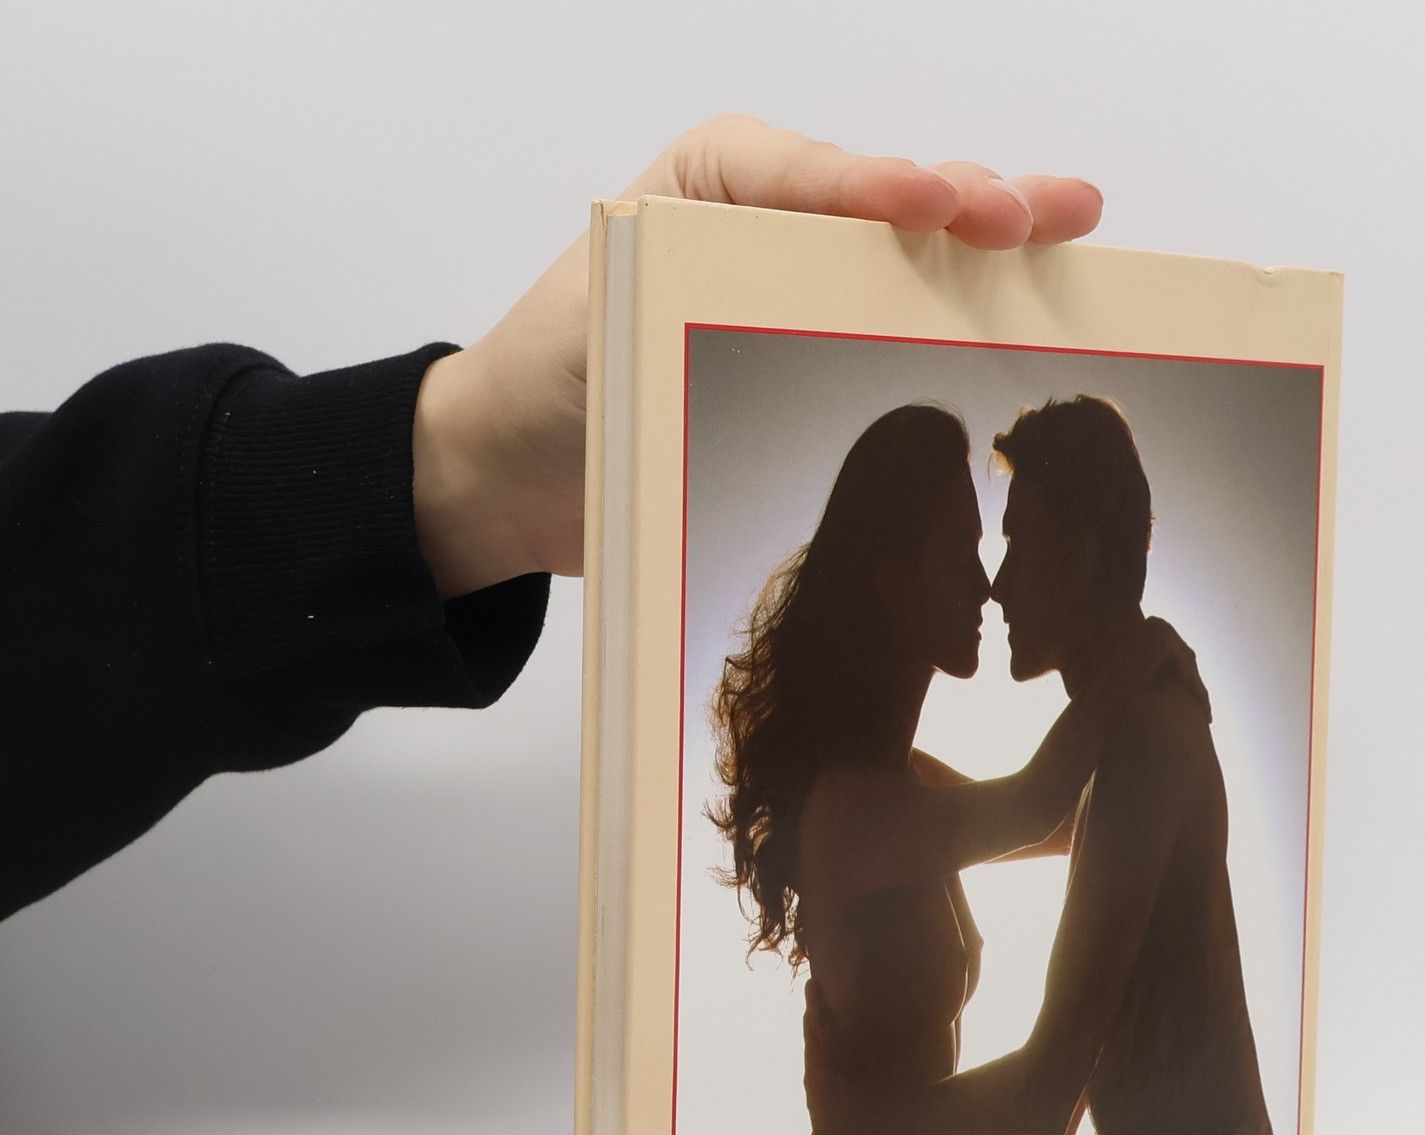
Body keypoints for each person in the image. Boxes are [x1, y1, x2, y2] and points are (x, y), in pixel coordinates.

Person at [0, 116, 1106, 922]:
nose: (990, 582)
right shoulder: (863, 808)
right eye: (966, 550)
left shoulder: (886, 779)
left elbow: (1070, 815)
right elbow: (1047, 805)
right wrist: (1144, 672)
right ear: (884, 573)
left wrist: (467, 465)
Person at [806, 395, 1291, 1135]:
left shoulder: (1146, 748)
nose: (997, 581)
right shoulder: (1136, 746)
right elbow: (1034, 816)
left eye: (1019, 542)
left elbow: (1043, 1102)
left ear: (1081, 552)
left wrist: (864, 1123)